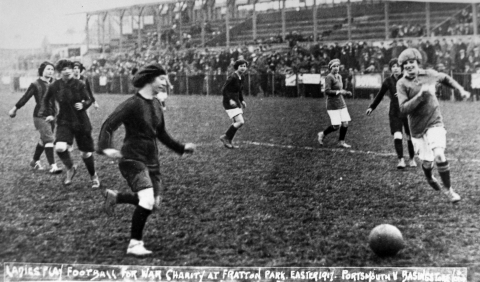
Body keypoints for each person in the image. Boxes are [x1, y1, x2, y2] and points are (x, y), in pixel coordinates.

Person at [97, 63, 195, 256]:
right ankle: (135, 244)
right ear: (150, 79)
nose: (165, 84)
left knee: (152, 204)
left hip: (152, 158)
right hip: (132, 158)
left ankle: (116, 197)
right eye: (162, 79)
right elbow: (108, 125)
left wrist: (181, 148)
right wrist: (106, 148)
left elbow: (161, 133)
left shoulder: (157, 104)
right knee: (148, 200)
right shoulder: (132, 103)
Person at [396, 48, 470, 203]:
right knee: (427, 163)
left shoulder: (428, 74)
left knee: (439, 155)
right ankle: (429, 176)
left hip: (434, 121)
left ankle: (449, 191)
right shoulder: (402, 83)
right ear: (402, 66)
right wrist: (420, 96)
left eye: (412, 62)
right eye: (406, 63)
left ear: (417, 63)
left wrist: (460, 89)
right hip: (417, 128)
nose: (409, 65)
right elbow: (403, 109)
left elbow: (444, 78)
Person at [39, 59, 100, 188]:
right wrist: (49, 113)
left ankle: (94, 176)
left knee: (85, 153)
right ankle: (70, 167)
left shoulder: (80, 84)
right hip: (64, 120)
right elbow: (45, 100)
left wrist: (83, 104)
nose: (66, 71)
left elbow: (89, 99)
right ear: (59, 72)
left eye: (69, 68)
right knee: (60, 147)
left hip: (81, 121)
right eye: (63, 69)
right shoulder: (55, 85)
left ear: (73, 70)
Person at [8, 61, 62, 174]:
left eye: (52, 69)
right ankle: (53, 166)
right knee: (49, 139)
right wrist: (14, 109)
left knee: (44, 139)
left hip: (53, 116)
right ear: (42, 70)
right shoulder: (36, 84)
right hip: (40, 116)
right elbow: (25, 97)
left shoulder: (55, 84)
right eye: (48, 69)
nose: (51, 71)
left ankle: (35, 161)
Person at [366, 58, 416, 169]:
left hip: (407, 111)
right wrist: (371, 107)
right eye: (393, 66)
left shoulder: (408, 79)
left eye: (398, 66)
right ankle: (401, 160)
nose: (396, 68)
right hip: (394, 111)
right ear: (391, 69)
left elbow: (416, 93)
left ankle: (412, 159)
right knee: (397, 135)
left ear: (402, 67)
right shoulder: (388, 81)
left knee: (409, 137)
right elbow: (379, 95)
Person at [317, 59, 353, 148]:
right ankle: (322, 134)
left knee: (345, 123)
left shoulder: (339, 76)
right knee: (336, 126)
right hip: (332, 104)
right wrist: (339, 92)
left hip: (341, 102)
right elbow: (327, 91)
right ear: (330, 67)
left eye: (337, 66)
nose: (336, 68)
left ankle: (341, 142)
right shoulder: (329, 77)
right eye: (334, 66)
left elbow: (340, 89)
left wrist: (346, 92)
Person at [219, 59, 248, 149]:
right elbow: (224, 89)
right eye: (241, 66)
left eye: (244, 66)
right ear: (237, 67)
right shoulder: (233, 77)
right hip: (229, 102)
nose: (243, 68)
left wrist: (242, 100)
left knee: (236, 122)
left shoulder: (241, 77)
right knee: (240, 121)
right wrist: (230, 100)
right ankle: (225, 137)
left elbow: (239, 90)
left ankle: (229, 141)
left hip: (236, 101)